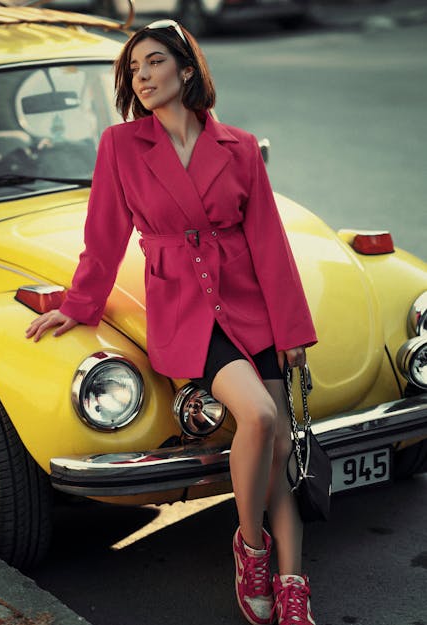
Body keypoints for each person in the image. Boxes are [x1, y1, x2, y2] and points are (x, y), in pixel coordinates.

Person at [26, 19, 318, 625]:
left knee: (280, 449)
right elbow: (102, 242)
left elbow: (270, 243)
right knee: (260, 416)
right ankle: (251, 549)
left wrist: (291, 333)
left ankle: (293, 588)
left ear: (187, 70)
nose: (143, 77)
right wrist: (75, 308)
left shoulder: (238, 146)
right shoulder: (121, 147)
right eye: (134, 69)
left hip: (251, 309)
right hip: (185, 313)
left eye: (154, 62)